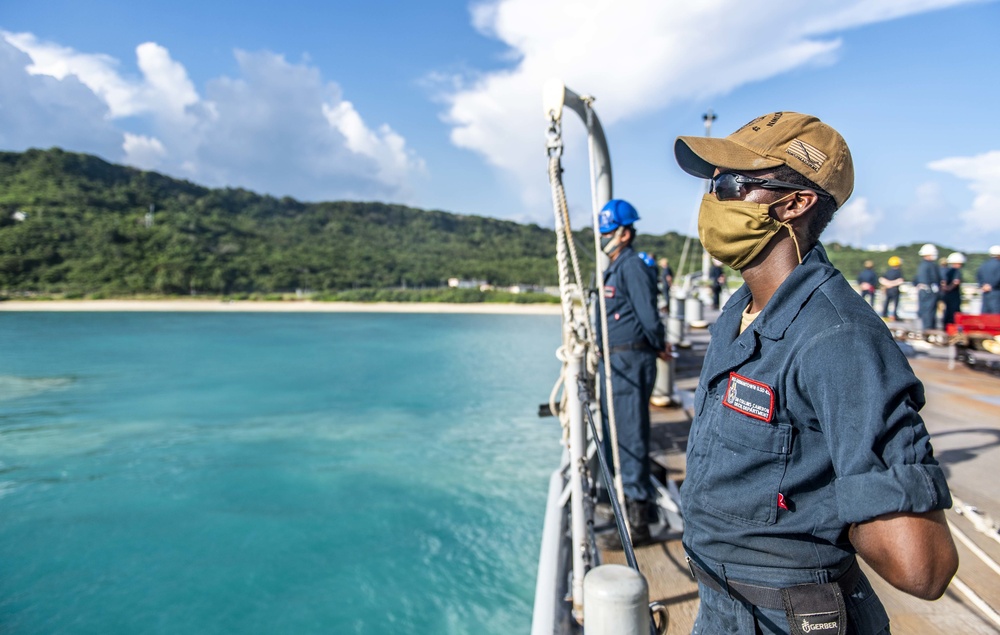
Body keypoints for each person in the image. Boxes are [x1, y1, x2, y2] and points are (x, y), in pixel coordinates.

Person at [674, 111, 957, 634]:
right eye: (712, 184)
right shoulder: (738, 313)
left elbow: (922, 566)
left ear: (794, 203)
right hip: (725, 607)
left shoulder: (839, 339)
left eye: (731, 183)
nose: (713, 199)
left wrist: (851, 502)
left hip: (787, 618)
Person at [594, 199, 671, 549]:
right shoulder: (613, 267)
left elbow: (647, 313)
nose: (603, 237)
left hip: (630, 361)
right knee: (615, 436)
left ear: (624, 233)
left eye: (608, 231)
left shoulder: (632, 267)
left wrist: (659, 344)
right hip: (615, 362)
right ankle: (620, 503)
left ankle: (638, 521)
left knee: (629, 438)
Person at [915, 244, 941, 330]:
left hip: (922, 291)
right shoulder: (931, 265)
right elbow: (935, 277)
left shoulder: (921, 265)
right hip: (929, 291)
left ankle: (925, 328)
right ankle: (929, 329)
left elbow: (916, 279)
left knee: (923, 310)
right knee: (929, 311)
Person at [941, 252, 965, 327]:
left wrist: (945, 289)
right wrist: (949, 288)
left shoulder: (947, 271)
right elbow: (956, 282)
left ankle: (946, 326)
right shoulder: (956, 271)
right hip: (954, 295)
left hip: (947, 295)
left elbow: (943, 282)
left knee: (947, 311)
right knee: (954, 312)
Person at [879, 256, 904, 321]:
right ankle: (894, 315)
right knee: (895, 303)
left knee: (886, 302)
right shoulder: (899, 272)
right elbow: (900, 281)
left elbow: (881, 279)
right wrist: (892, 284)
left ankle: (884, 315)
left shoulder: (888, 271)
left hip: (888, 290)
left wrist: (888, 284)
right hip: (895, 290)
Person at [977, 245, 1000, 314]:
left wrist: (983, 285)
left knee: (985, 313)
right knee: (996, 313)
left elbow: (978, 276)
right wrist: (992, 286)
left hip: (985, 292)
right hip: (996, 292)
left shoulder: (984, 265)